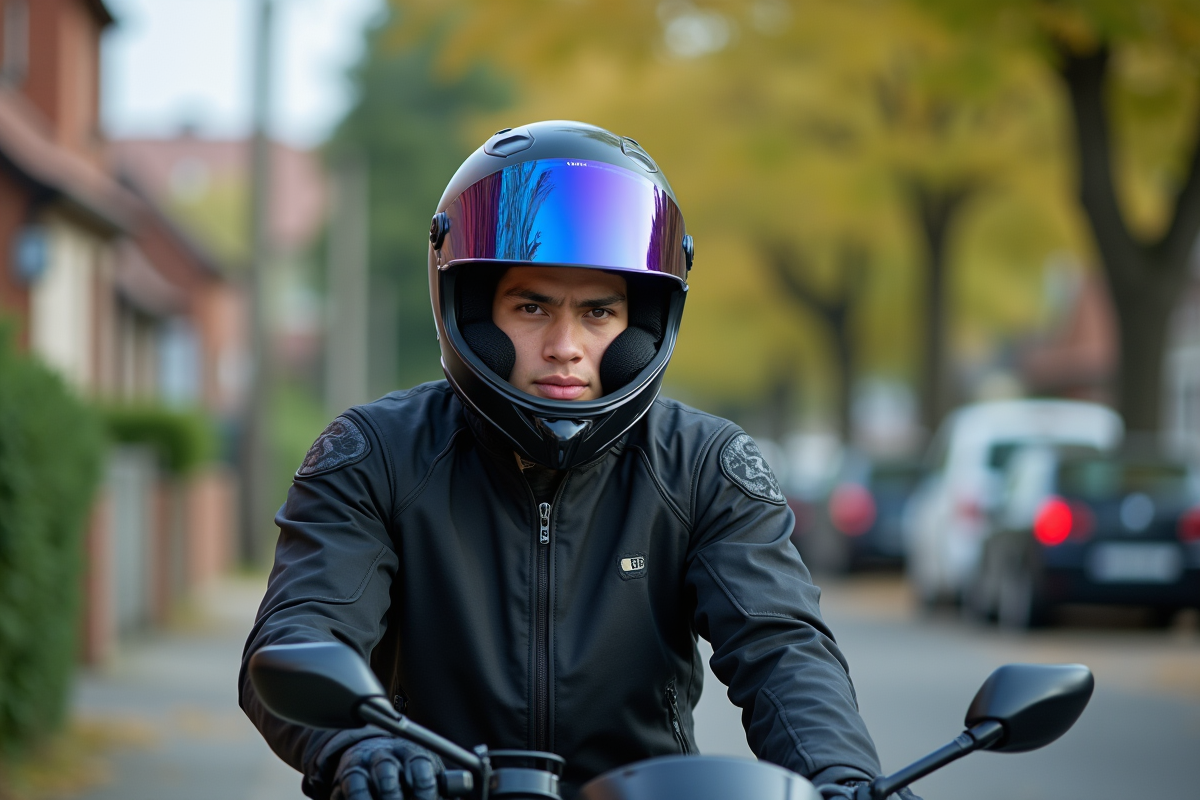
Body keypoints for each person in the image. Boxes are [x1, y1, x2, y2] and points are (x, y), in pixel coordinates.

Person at [239, 121, 908, 800]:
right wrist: (355, 743)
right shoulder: (375, 455)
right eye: (531, 307)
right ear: (471, 311)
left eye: (598, 312)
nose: (565, 345)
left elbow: (782, 649)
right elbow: (300, 634)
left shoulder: (704, 466)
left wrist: (842, 775)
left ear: (639, 326)